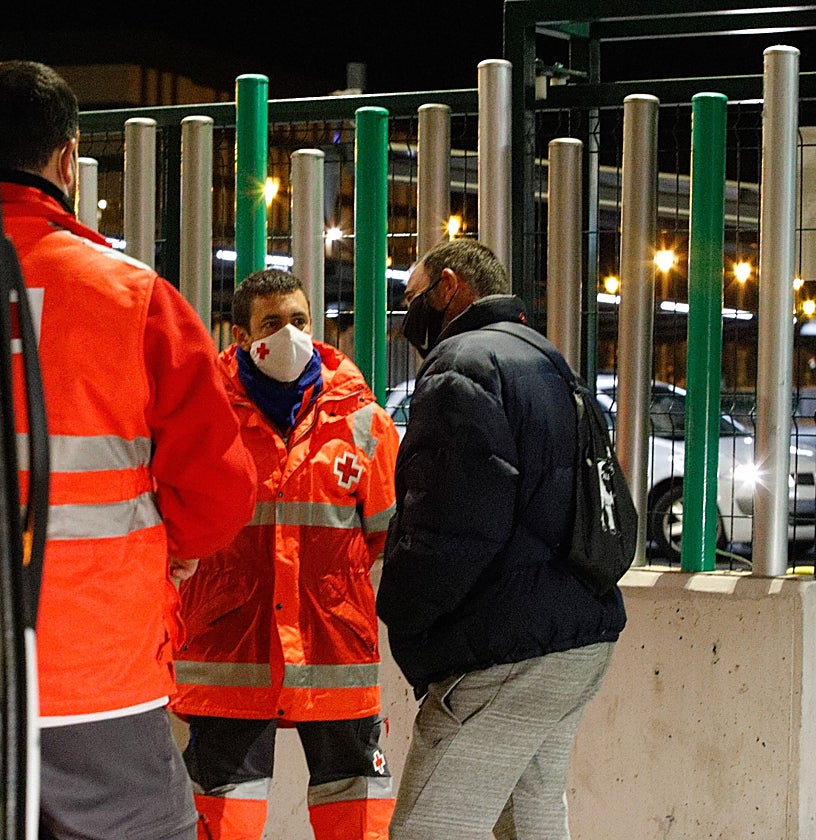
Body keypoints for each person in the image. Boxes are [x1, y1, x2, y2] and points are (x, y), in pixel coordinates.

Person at [0, 60, 257, 840]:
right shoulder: (131, 299)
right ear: (69, 160)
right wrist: (180, 550)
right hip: (89, 678)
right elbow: (217, 489)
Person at [376, 238, 626, 840]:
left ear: (448, 287)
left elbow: (450, 525)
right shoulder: (546, 358)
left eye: (411, 297)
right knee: (530, 821)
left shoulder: (463, 365)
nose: (408, 316)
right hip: (577, 633)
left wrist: (403, 614)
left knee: (425, 830)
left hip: (503, 646)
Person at [171, 268, 400, 840]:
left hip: (334, 650)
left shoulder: (362, 421)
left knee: (356, 814)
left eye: (299, 320)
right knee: (225, 820)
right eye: (271, 323)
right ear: (242, 337)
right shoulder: (208, 418)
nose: (290, 335)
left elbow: (383, 533)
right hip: (229, 651)